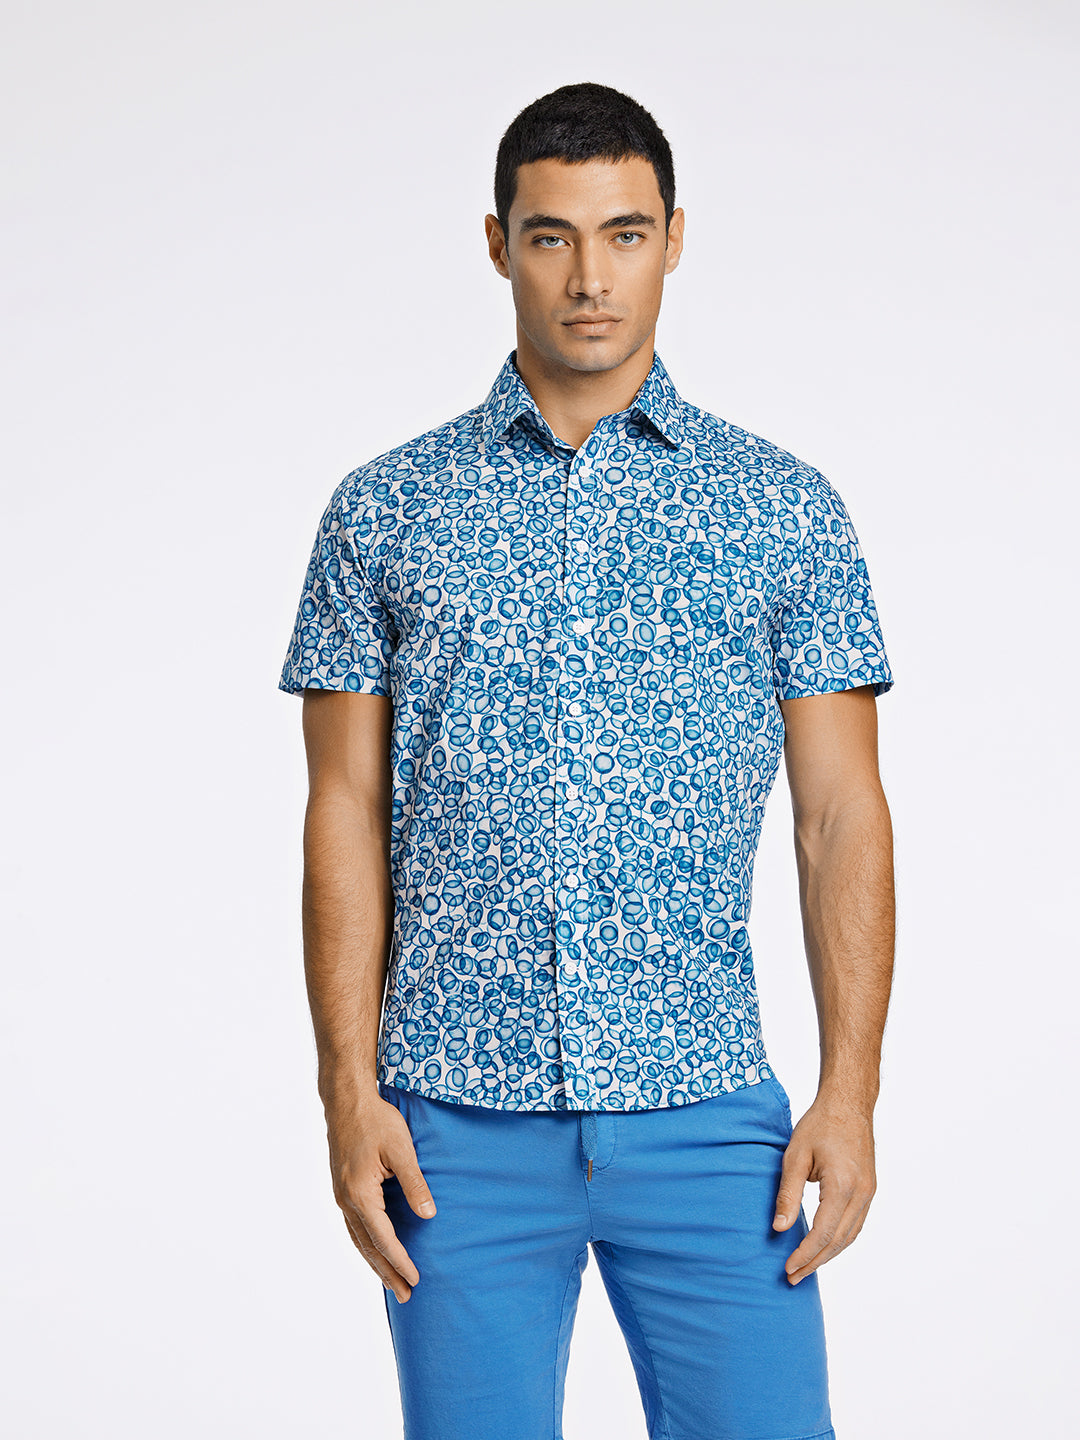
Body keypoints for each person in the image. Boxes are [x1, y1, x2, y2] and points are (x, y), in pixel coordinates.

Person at [278, 80, 896, 1440]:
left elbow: (840, 814)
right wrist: (346, 1096)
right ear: (497, 244)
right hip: (451, 1126)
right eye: (551, 236)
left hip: (710, 1114)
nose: (589, 278)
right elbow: (343, 810)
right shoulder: (384, 510)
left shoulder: (783, 509)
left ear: (675, 238)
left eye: (623, 234)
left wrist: (850, 1092)